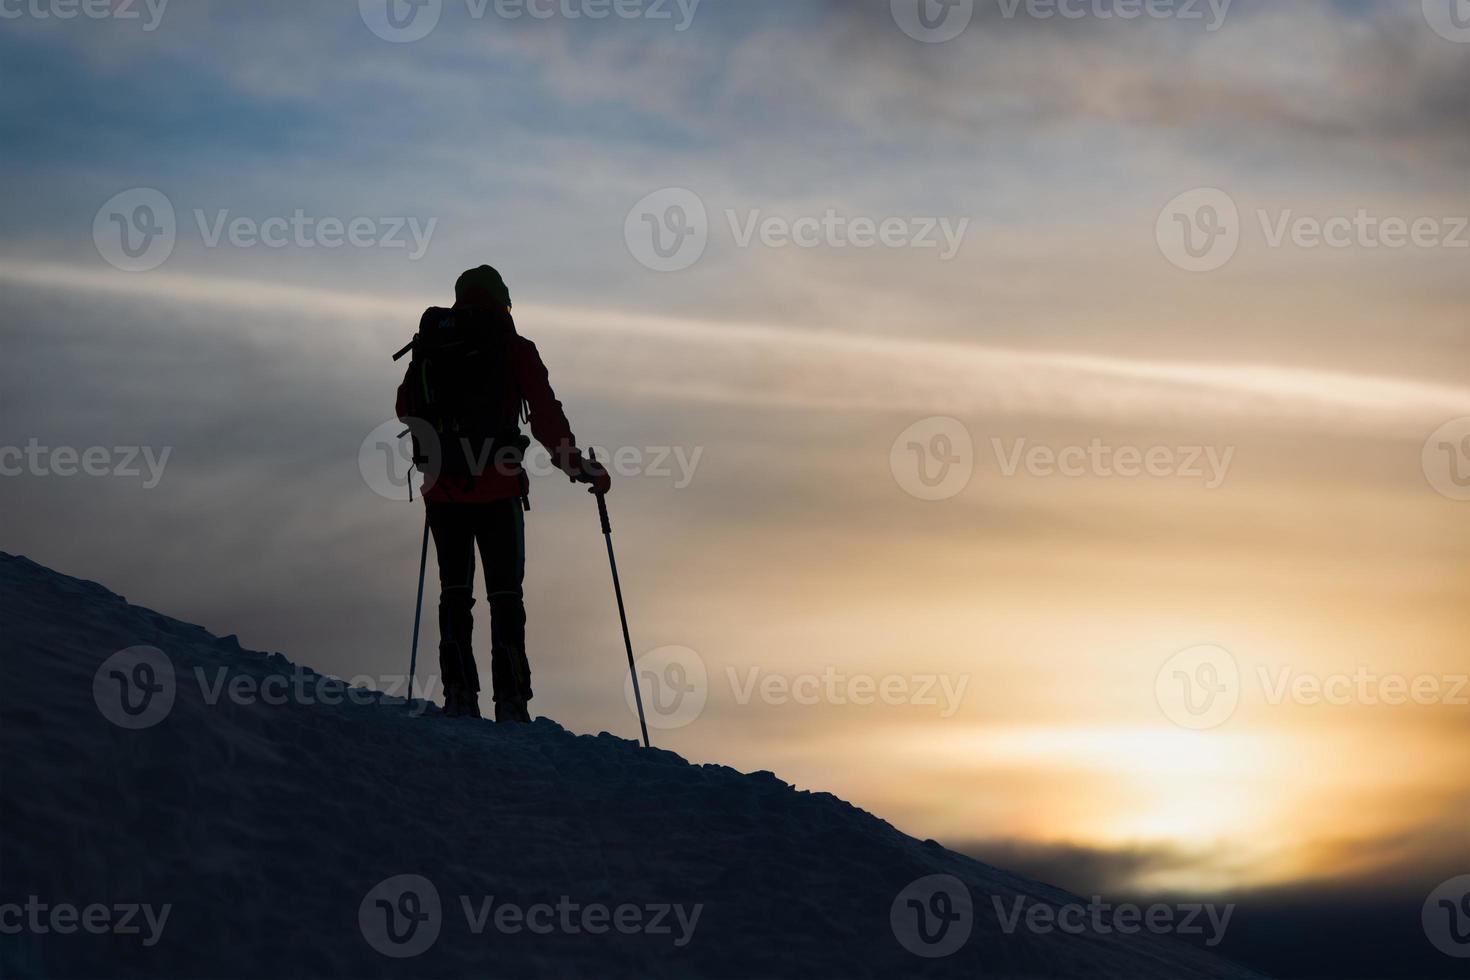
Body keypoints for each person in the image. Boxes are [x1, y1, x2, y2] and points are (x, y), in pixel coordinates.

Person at [395, 265, 610, 721]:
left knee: (455, 593)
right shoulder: (514, 349)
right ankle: (511, 701)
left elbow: (404, 407)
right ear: (502, 300)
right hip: (498, 487)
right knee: (505, 596)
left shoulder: (432, 345)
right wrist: (581, 469)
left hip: (443, 490)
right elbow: (547, 418)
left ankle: (458, 695)